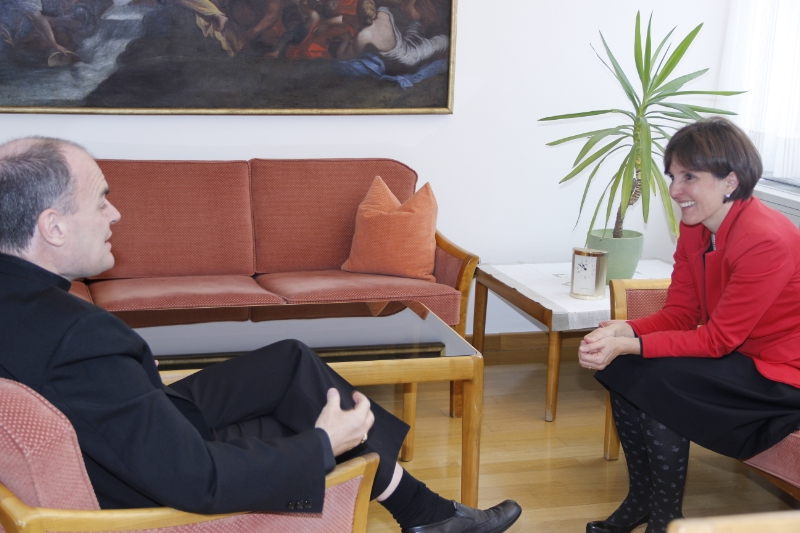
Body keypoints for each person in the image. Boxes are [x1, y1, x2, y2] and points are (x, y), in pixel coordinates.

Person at [0, 137, 521, 533]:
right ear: (53, 226)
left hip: (125, 434)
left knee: (290, 363)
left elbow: (97, 399)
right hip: (150, 488)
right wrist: (323, 444)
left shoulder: (25, 304)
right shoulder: (80, 337)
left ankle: (419, 508)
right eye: (100, 201)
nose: (115, 213)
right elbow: (198, 480)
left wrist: (128, 376)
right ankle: (422, 510)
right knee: (311, 420)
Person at [578, 117, 800, 533]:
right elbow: (681, 313)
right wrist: (626, 331)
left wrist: (632, 343)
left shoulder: (765, 239)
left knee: (664, 384)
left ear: (730, 180)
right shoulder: (696, 227)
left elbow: (718, 340)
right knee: (622, 366)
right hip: (741, 357)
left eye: (690, 177)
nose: (675, 190)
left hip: (782, 373)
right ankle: (642, 499)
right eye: (673, 176)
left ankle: (666, 518)